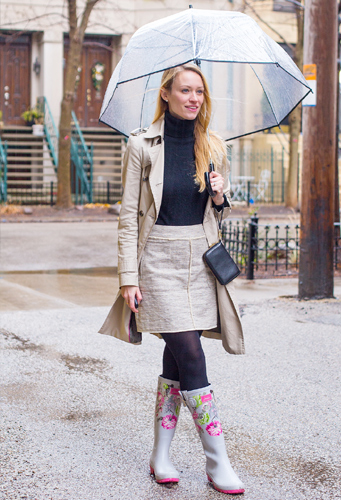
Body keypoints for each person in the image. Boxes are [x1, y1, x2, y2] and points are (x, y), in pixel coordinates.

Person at [100, 63, 245, 495]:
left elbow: (217, 211)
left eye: (199, 92)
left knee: (176, 362)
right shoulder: (142, 144)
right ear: (166, 93)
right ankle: (218, 462)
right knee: (191, 353)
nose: (193, 99)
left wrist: (220, 194)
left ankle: (160, 455)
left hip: (200, 259)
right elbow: (128, 217)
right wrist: (129, 277)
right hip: (157, 258)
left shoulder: (213, 145)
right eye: (185, 90)